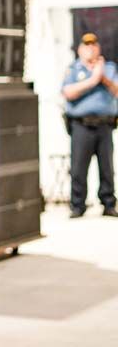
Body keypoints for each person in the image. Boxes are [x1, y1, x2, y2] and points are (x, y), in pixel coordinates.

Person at [62, 32, 118, 218]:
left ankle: (108, 203)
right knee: (78, 167)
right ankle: (77, 205)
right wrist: (92, 80)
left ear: (98, 48)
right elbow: (68, 92)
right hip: (81, 125)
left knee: (107, 168)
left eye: (94, 45)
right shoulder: (73, 69)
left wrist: (102, 77)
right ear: (80, 49)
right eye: (87, 46)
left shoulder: (109, 68)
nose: (90, 49)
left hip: (104, 124)